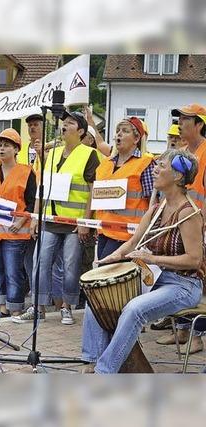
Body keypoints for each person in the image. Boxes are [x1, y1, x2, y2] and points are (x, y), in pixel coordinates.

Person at [92, 149, 203, 373]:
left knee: (135, 309)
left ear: (178, 176)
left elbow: (194, 259)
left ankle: (103, 373)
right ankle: (91, 358)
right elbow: (133, 243)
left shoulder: (188, 213)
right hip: (155, 279)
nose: (155, 169)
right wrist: (113, 258)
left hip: (183, 285)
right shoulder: (156, 209)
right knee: (96, 296)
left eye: (161, 166)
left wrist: (152, 258)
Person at [81, 117, 155, 367]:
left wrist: (142, 240)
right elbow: (96, 197)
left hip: (127, 240)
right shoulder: (105, 165)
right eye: (117, 131)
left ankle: (97, 356)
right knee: (103, 298)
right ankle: (105, 353)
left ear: (137, 138)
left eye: (125, 131)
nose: (119, 135)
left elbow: (152, 203)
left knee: (104, 297)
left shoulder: (145, 164)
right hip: (104, 235)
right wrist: (88, 222)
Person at [15, 110, 100, 325]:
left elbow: (92, 191)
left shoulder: (90, 154)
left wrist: (85, 222)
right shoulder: (52, 154)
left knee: (71, 266)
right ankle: (38, 307)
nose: (64, 126)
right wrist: (35, 216)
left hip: (73, 222)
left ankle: (67, 307)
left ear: (80, 131)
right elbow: (42, 187)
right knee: (40, 262)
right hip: (50, 219)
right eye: (64, 123)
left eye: (70, 123)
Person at [154, 104, 206, 354]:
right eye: (180, 118)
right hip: (180, 221)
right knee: (178, 275)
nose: (181, 123)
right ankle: (182, 331)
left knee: (199, 281)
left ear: (199, 124)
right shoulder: (181, 152)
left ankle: (197, 337)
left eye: (186, 119)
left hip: (198, 223)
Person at [0, 128, 36, 318]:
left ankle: (15, 307)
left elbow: (31, 201)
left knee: (13, 271)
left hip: (16, 231)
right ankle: (2, 306)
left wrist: (22, 221)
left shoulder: (26, 172)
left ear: (16, 150)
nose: (1, 149)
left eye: (6, 145)